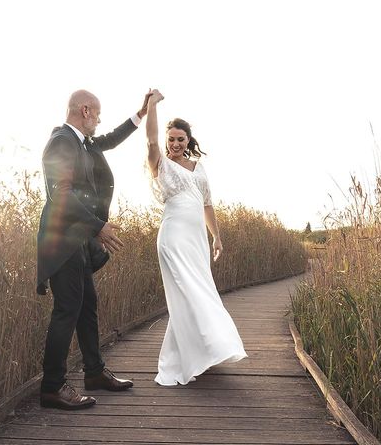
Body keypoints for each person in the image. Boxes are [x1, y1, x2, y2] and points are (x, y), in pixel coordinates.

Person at [36, 89, 149, 409]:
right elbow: (61, 194)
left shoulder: (82, 143)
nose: (99, 121)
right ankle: (52, 386)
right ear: (85, 110)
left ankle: (95, 372)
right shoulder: (62, 141)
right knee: (67, 310)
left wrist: (140, 114)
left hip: (77, 240)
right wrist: (97, 225)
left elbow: (111, 139)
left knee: (87, 306)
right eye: (97, 114)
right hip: (63, 241)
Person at [145, 89, 247, 386]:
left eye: (181, 139)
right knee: (188, 292)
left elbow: (207, 204)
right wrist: (152, 106)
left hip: (197, 240)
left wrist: (216, 237)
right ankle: (204, 351)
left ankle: (200, 353)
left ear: (188, 140)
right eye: (171, 139)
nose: (175, 144)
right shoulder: (159, 163)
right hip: (173, 237)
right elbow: (151, 139)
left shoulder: (199, 169)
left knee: (199, 292)